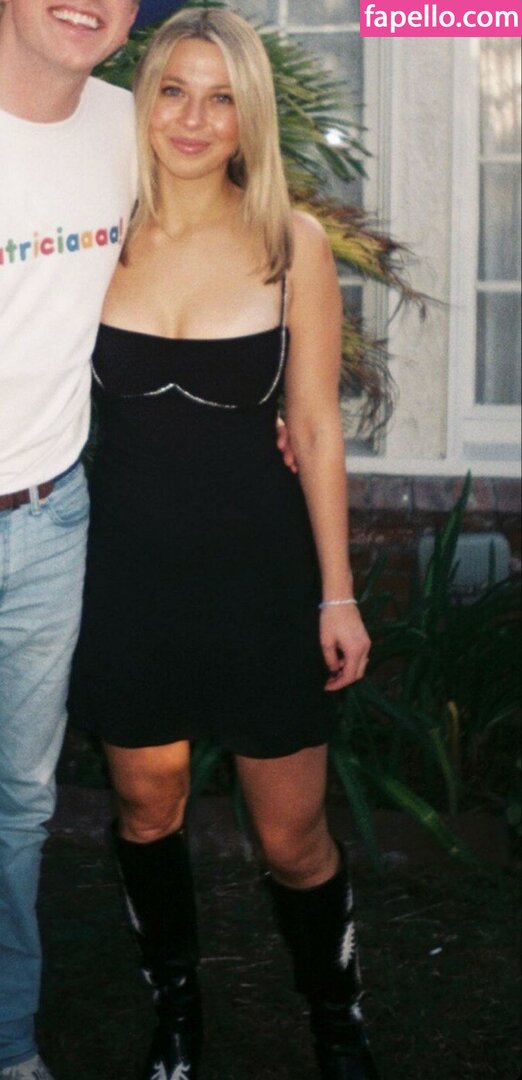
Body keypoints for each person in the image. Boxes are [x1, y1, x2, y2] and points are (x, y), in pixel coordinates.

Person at [70, 8, 381, 1080]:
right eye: (173, 90)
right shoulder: (98, 230)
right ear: (142, 100)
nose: (194, 119)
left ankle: (337, 1020)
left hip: (261, 577)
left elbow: (319, 427)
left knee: (292, 836)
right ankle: (177, 1016)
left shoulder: (291, 242)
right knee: (146, 810)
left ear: (250, 115)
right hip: (126, 579)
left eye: (221, 98)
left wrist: (337, 593)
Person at [0, 3, 142, 1078]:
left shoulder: (138, 128)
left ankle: (9, 1045)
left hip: (50, 518)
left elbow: (227, 250)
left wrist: (279, 397)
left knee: (20, 806)